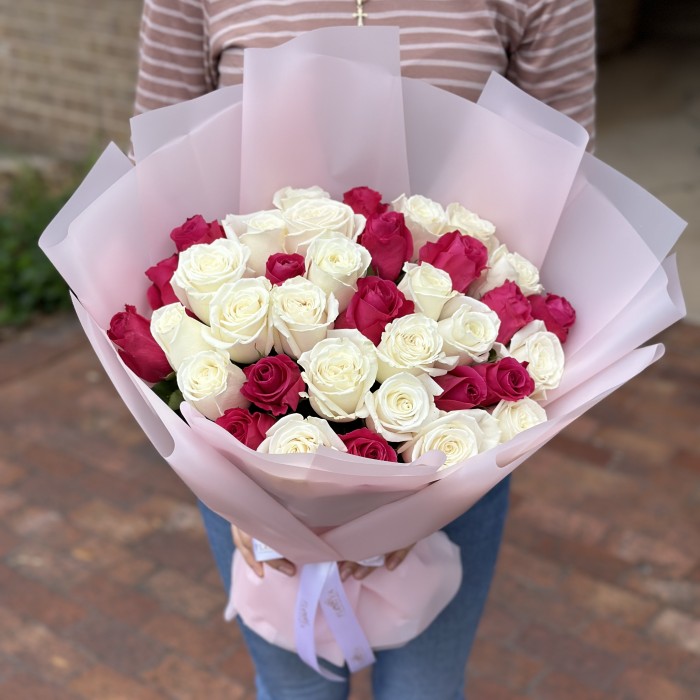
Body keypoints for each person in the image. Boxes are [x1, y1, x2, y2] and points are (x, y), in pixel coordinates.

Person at [134, 2, 596, 698]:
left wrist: (429, 494)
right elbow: (153, 187)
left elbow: (563, 187)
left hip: (453, 429)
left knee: (427, 688)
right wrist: (246, 492)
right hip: (246, 440)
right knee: (295, 690)